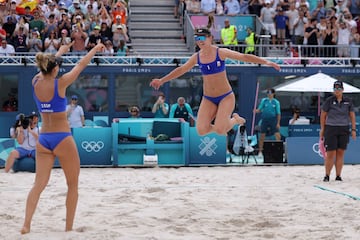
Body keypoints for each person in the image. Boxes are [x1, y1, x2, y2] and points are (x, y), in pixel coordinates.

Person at [21, 41, 105, 234]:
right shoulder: (61, 83)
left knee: (38, 185)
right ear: (56, 69)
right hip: (62, 138)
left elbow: (49, 66)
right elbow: (81, 64)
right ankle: (68, 228)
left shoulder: (35, 81)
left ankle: (26, 224)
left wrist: (60, 51)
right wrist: (93, 49)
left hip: (44, 139)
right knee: (73, 184)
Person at [150, 28, 280, 136]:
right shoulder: (197, 57)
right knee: (201, 130)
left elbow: (244, 57)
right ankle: (225, 123)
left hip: (225, 96)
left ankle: (234, 120)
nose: (199, 41)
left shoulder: (220, 52)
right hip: (209, 98)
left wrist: (266, 61)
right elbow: (181, 69)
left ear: (210, 38)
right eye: (197, 39)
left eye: (202, 38)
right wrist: (162, 80)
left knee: (220, 130)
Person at [320, 81, 356, 182]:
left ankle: (338, 175)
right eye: (335, 89)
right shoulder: (329, 101)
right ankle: (327, 175)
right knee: (331, 153)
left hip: (344, 128)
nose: (337, 91)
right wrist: (322, 129)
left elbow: (352, 116)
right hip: (331, 128)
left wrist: (353, 129)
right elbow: (323, 115)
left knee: (340, 152)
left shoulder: (348, 101)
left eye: (339, 89)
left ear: (342, 90)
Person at [254, 88, 281, 156]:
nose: (269, 94)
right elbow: (260, 109)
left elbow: (278, 113)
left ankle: (279, 150)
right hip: (265, 120)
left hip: (273, 120)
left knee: (277, 135)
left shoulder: (276, 102)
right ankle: (260, 151)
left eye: (270, 93)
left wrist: (278, 123)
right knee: (262, 135)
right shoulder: (264, 100)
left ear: (273, 94)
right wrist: (256, 111)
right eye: (268, 93)